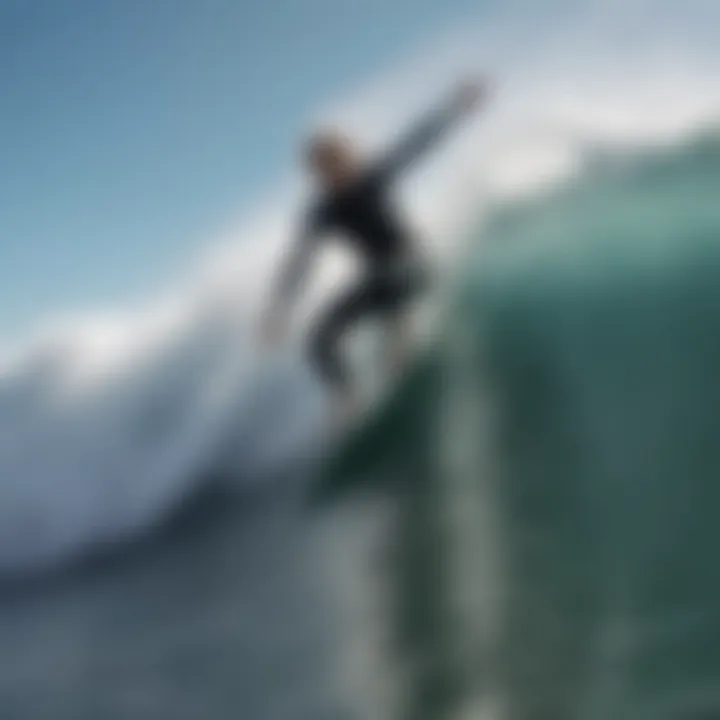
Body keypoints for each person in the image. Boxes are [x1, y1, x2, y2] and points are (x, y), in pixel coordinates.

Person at [259, 77, 490, 429]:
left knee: (396, 346)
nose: (335, 173)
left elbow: (417, 143)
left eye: (339, 162)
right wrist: (279, 311)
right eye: (324, 169)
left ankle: (402, 336)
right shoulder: (323, 211)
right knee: (318, 341)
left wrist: (455, 108)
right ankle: (347, 398)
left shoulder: (373, 177)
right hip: (376, 279)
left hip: (411, 267)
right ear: (317, 174)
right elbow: (298, 264)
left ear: (349, 158)